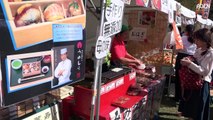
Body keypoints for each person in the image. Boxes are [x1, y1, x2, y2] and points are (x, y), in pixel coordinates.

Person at [181, 28, 213, 120]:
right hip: (194, 83)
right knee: (192, 111)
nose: (195, 41)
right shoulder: (199, 50)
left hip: (201, 85)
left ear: (204, 40)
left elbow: (205, 71)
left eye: (197, 39)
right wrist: (188, 60)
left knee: (198, 112)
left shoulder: (210, 53)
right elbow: (194, 61)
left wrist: (189, 64)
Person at [175, 25, 197, 103]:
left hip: (181, 57)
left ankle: (178, 96)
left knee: (179, 78)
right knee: (188, 78)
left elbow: (177, 49)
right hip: (191, 58)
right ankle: (185, 96)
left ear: (186, 30)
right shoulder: (195, 39)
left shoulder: (183, 38)